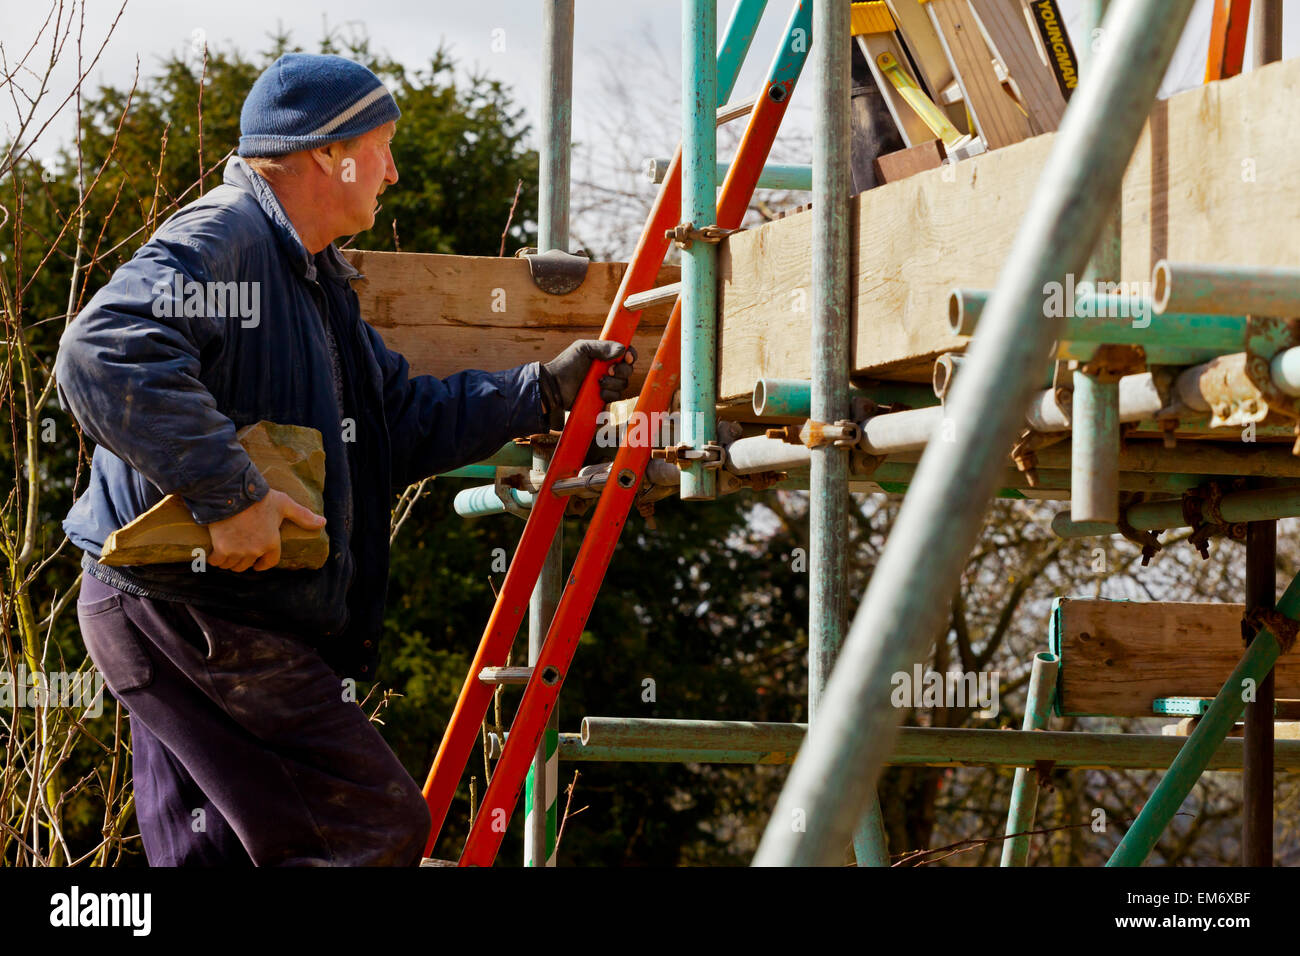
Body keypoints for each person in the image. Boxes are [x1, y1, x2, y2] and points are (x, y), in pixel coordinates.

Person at [55, 53, 633, 866]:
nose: (393, 173)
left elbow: (393, 421)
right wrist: (232, 497)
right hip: (189, 611)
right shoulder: (230, 237)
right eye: (384, 146)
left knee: (210, 856)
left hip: (183, 614)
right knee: (367, 824)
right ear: (328, 153)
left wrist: (539, 390)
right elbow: (104, 351)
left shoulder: (313, 278)